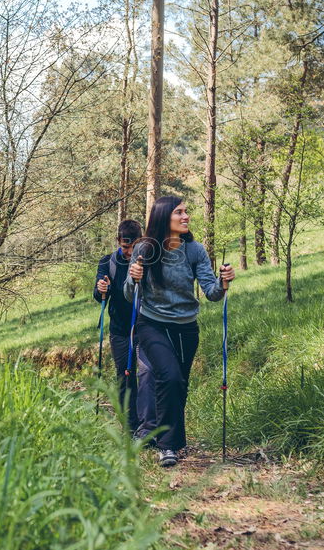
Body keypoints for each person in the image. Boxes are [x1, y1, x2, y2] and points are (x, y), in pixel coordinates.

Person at [124, 196, 236, 468]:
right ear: (164, 217)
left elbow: (211, 293)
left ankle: (173, 438)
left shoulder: (194, 250)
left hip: (186, 327)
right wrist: (133, 277)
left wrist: (223, 282)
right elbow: (130, 295)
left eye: (186, 212)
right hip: (152, 325)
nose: (186, 217)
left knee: (180, 386)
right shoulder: (144, 249)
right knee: (169, 378)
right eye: (179, 212)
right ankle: (167, 447)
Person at [93, 219, 156, 439]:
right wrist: (102, 288)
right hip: (120, 330)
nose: (128, 252)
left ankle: (147, 426)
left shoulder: (149, 260)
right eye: (124, 246)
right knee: (125, 377)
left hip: (145, 327)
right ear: (118, 241)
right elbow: (98, 294)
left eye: (132, 246)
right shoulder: (107, 262)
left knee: (146, 374)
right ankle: (130, 425)